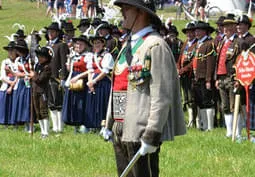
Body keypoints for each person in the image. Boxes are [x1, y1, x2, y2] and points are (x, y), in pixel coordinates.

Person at [102, 0, 186, 176]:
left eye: (127, 8)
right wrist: (109, 123)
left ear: (141, 13)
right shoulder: (127, 45)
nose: (122, 12)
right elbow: (118, 84)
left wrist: (152, 133)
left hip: (140, 129)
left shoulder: (155, 45)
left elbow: (161, 95)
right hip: (120, 126)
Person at [215, 15, 242, 138]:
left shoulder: (239, 42)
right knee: (225, 106)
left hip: (232, 77)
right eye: (224, 26)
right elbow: (218, 60)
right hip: (221, 77)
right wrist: (216, 77)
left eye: (229, 26)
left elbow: (242, 62)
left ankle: (237, 132)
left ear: (234, 27)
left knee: (234, 105)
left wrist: (239, 78)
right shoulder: (221, 42)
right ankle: (229, 131)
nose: (226, 29)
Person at [62, 35, 91, 133]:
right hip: (73, 79)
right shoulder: (73, 55)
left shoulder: (88, 56)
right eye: (77, 44)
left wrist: (78, 77)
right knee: (73, 102)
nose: (78, 46)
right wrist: (69, 59)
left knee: (82, 102)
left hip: (83, 80)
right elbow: (69, 69)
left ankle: (84, 125)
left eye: (81, 44)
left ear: (85, 46)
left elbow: (90, 71)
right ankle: (75, 125)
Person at [85, 34, 114, 130]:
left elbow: (105, 71)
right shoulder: (92, 56)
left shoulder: (107, 55)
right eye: (94, 43)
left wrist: (94, 81)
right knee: (93, 103)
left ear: (103, 44)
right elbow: (90, 70)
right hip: (93, 82)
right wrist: (90, 82)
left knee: (102, 104)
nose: (96, 45)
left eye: (98, 43)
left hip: (103, 82)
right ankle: (93, 125)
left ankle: (103, 126)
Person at [192, 21, 216, 131]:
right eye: (195, 30)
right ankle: (204, 125)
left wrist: (208, 79)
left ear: (205, 31)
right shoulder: (197, 44)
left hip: (204, 78)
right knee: (200, 102)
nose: (196, 32)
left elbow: (210, 64)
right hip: (197, 77)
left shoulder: (209, 44)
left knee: (207, 102)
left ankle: (210, 127)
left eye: (199, 30)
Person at [46, 22, 69, 133]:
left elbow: (64, 62)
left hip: (57, 78)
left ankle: (60, 126)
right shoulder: (47, 46)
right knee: (50, 103)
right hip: (47, 77)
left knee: (58, 102)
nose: (50, 33)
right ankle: (54, 126)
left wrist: (63, 78)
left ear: (57, 33)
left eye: (52, 31)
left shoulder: (61, 45)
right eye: (49, 31)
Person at [177, 21, 197, 128]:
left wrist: (182, 70)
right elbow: (180, 58)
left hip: (190, 75)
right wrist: (178, 68)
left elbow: (193, 62)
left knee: (192, 98)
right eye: (187, 33)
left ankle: (195, 120)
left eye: (191, 32)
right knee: (186, 98)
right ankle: (190, 120)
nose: (189, 35)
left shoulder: (196, 44)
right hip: (182, 75)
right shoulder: (185, 44)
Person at [30, 47, 53, 138]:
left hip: (43, 91)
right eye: (39, 56)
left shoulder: (47, 67)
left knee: (43, 110)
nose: (40, 58)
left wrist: (33, 75)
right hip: (35, 90)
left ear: (46, 58)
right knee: (37, 111)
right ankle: (42, 131)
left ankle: (46, 132)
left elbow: (40, 79)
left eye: (42, 56)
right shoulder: (37, 66)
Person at [0, 41, 18, 126]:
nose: (10, 52)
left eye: (12, 50)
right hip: (6, 84)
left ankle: (14, 121)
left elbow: (19, 74)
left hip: (16, 85)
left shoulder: (18, 61)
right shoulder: (5, 62)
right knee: (4, 104)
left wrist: (12, 84)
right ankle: (5, 121)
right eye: (9, 50)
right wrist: (10, 83)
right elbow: (2, 76)